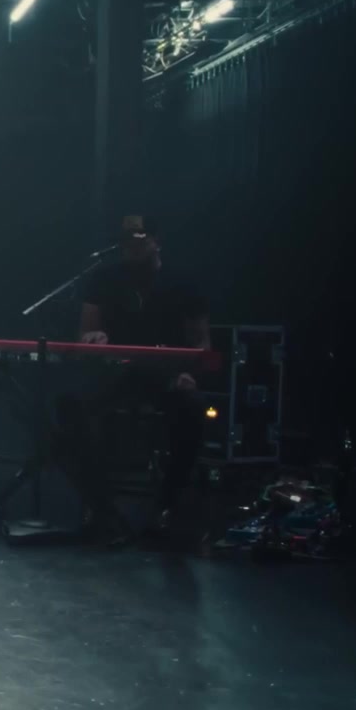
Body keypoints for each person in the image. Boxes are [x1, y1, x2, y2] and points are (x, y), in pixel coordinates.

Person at [76, 214, 210, 535]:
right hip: (118, 373)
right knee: (74, 409)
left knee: (193, 409)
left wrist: (189, 373)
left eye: (140, 240)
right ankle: (97, 502)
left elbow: (202, 343)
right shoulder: (103, 279)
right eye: (126, 242)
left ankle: (168, 501)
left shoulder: (183, 283)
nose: (132, 247)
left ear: (156, 242)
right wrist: (92, 338)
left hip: (166, 375)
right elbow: (85, 332)